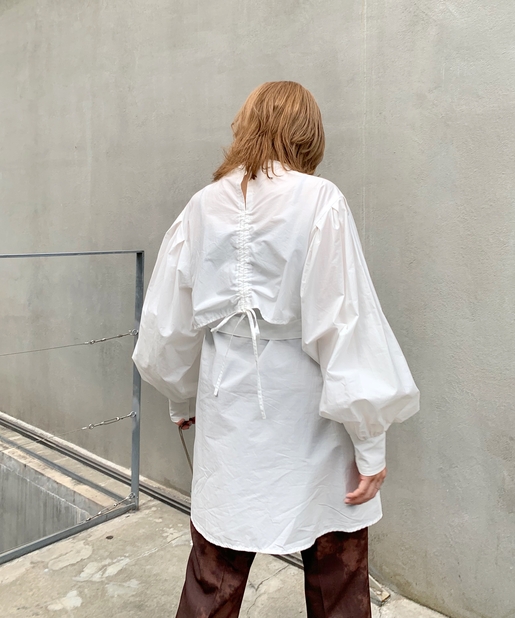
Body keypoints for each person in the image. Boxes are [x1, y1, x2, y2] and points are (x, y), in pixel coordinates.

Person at [132, 81, 420, 618]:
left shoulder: (202, 206)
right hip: (311, 416)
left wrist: (181, 397)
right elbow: (344, 325)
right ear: (309, 134)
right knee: (337, 576)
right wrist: (370, 444)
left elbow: (168, 324)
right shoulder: (321, 200)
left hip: (229, 414)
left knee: (212, 576)